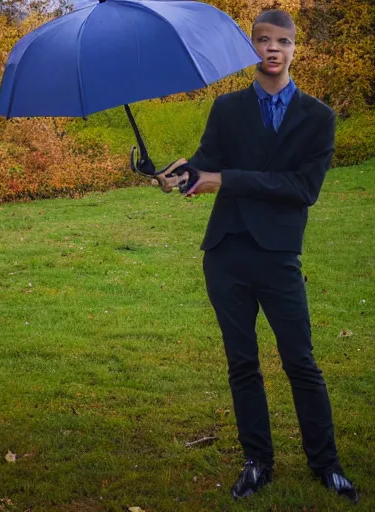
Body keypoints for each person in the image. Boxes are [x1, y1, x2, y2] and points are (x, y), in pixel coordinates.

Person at [164, 9, 358, 503]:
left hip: (277, 256)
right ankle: (257, 462)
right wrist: (177, 175)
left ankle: (326, 463)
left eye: (283, 42)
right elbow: (208, 161)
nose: (273, 49)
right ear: (251, 47)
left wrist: (226, 179)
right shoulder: (227, 109)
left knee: (301, 361)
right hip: (226, 251)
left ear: (295, 49)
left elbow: (302, 188)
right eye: (263, 40)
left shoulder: (318, 117)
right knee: (242, 362)